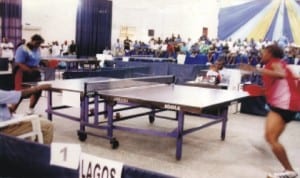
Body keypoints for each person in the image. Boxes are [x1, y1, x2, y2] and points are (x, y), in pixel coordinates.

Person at [240, 44, 299, 178]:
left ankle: (290, 171)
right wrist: (260, 90)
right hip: (283, 104)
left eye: (264, 52)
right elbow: (277, 84)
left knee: (272, 138)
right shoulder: (276, 64)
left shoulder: (276, 63)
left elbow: (280, 75)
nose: (262, 55)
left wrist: (254, 69)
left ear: (271, 53)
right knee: (270, 137)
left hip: (285, 105)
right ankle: (266, 146)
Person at [11, 34, 45, 115]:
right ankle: (11, 111)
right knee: (21, 93)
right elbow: (19, 63)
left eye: (40, 43)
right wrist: (30, 70)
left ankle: (30, 110)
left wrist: (38, 67)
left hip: (34, 72)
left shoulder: (37, 49)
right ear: (32, 41)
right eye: (37, 43)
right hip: (22, 72)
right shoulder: (22, 48)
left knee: (38, 90)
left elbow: (36, 60)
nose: (38, 45)